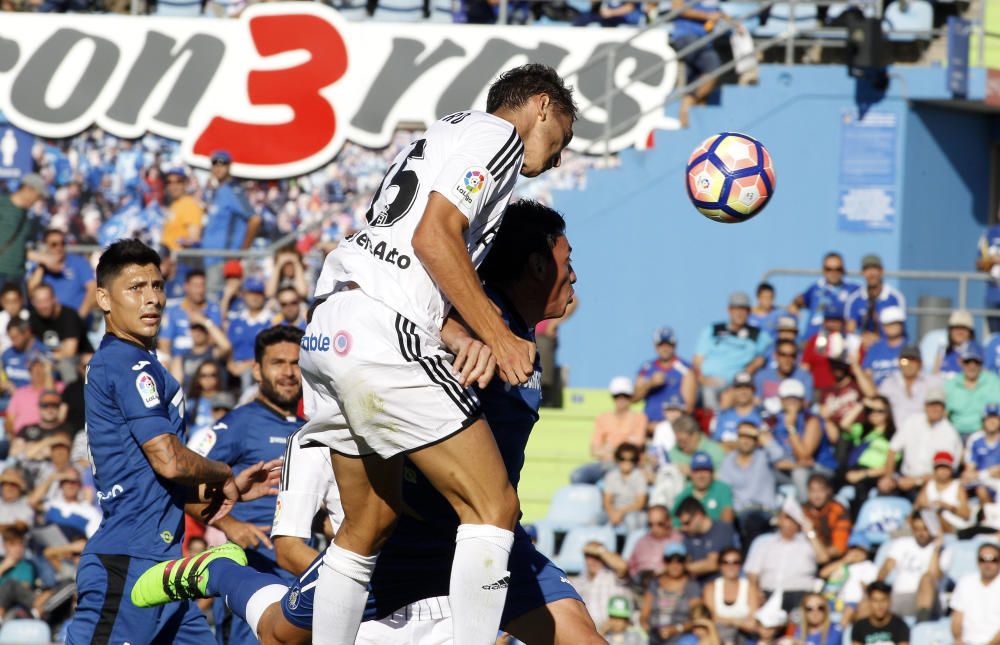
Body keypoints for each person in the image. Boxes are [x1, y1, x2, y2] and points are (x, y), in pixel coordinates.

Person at [135, 200, 604, 644]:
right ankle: (217, 572)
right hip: (403, 544)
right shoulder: (468, 326)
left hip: (487, 537)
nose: (577, 273)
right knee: (280, 634)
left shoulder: (516, 331)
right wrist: (453, 335)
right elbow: (406, 315)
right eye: (568, 257)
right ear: (539, 265)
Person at [294, 64, 576, 645]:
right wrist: (498, 338)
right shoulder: (499, 136)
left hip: (330, 326)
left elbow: (413, 259)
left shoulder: (443, 135)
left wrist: (460, 334)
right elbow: (432, 237)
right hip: (380, 330)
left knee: (369, 519)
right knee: (494, 507)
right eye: (563, 139)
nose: (558, 157)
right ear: (542, 106)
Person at [64, 239, 280, 644]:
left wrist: (225, 495)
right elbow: (169, 461)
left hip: (162, 567)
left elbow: (163, 482)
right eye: (136, 288)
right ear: (104, 299)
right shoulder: (128, 362)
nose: (152, 299)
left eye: (157, 286)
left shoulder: (138, 361)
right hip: (127, 564)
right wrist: (225, 471)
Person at [186, 325, 305, 645]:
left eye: (295, 362)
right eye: (278, 363)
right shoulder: (238, 424)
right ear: (257, 370)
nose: (289, 372)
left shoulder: (312, 428)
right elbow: (185, 482)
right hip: (251, 573)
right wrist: (229, 523)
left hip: (302, 571)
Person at [693, 291, 771, 411]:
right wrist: (701, 378)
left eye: (743, 309)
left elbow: (771, 350)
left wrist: (752, 367)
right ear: (729, 310)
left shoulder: (757, 335)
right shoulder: (713, 330)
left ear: (749, 311)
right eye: (735, 309)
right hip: (705, 380)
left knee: (711, 392)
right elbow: (697, 360)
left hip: (733, 383)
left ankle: (715, 422)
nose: (739, 313)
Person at [744, 503, 829, 611]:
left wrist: (810, 531)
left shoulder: (808, 542)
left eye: (794, 518)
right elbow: (752, 572)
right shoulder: (763, 541)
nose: (789, 523)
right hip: (768, 594)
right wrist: (755, 592)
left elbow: (823, 558)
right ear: (779, 519)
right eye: (786, 517)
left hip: (800, 595)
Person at [669, 0, 739, 128]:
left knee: (698, 80)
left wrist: (734, 23)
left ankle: (689, 117)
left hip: (705, 40)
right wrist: (707, 16)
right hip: (687, 37)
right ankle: (687, 103)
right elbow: (676, 7)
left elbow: (717, 12)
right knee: (713, 67)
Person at [768, 378, 837, 500]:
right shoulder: (774, 420)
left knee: (799, 474)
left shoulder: (811, 420)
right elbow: (772, 456)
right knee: (763, 470)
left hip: (819, 468)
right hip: (790, 467)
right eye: (788, 400)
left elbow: (804, 456)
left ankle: (805, 513)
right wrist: (788, 465)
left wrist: (791, 427)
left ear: (802, 401)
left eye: (795, 400)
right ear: (781, 400)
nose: (791, 404)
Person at [717, 422, 785, 545]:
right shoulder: (728, 461)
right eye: (742, 436)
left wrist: (758, 433)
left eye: (751, 437)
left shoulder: (763, 457)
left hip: (766, 511)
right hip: (741, 513)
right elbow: (723, 490)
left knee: (754, 523)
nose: (746, 441)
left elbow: (779, 454)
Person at [201, 150, 259, 295]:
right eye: (215, 163)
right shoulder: (216, 191)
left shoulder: (232, 190)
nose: (219, 167)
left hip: (223, 260)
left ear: (229, 166)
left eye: (223, 163)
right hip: (210, 259)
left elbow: (255, 219)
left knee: (216, 303)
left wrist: (242, 252)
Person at [572, 376, 647, 484]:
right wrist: (624, 443)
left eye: (625, 395)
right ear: (613, 397)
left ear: (631, 397)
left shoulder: (640, 417)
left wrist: (610, 448)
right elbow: (594, 450)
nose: (621, 399)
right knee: (578, 475)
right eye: (617, 396)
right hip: (607, 464)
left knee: (615, 475)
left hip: (630, 464)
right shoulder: (603, 418)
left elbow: (636, 446)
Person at [889, 387, 962, 496]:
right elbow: (892, 450)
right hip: (903, 477)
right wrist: (888, 477)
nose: (934, 408)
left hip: (931, 483)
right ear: (925, 406)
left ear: (944, 408)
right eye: (931, 404)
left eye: (938, 405)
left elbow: (946, 471)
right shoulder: (912, 421)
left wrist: (916, 481)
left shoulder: (950, 433)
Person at [876, 511, 940, 617]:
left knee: (926, 579)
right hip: (898, 596)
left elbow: (935, 575)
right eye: (917, 529)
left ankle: (921, 624)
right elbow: (886, 567)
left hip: (927, 600)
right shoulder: (901, 543)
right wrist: (877, 588)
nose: (921, 533)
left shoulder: (940, 549)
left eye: (925, 529)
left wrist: (936, 549)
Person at [639, 542, 702, 645]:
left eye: (679, 561)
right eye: (670, 561)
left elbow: (697, 618)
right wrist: (646, 626)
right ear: (664, 562)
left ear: (685, 562)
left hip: (681, 637)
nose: (675, 565)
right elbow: (644, 614)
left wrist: (676, 629)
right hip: (654, 635)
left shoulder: (692, 586)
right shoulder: (654, 584)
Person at [789, 252, 860, 341]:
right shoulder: (816, 288)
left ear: (843, 270)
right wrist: (794, 309)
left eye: (837, 269)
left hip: (840, 341)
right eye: (829, 269)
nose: (833, 273)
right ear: (823, 270)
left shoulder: (853, 289)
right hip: (811, 341)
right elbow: (799, 300)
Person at [27, 228, 96, 318]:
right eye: (54, 244)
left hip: (75, 318)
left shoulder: (79, 262)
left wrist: (79, 317)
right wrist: (43, 264)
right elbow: (32, 291)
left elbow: (92, 289)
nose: (59, 247)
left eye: (62, 243)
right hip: (48, 320)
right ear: (46, 246)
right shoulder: (39, 268)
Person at [157, 270, 224, 363]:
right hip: (178, 362)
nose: (200, 290)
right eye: (196, 286)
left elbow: (217, 341)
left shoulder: (213, 309)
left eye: (202, 285)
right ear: (186, 286)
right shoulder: (173, 311)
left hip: (205, 360)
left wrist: (203, 320)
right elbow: (164, 343)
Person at [635, 326, 696, 426]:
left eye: (669, 345)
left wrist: (664, 426)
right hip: (648, 426)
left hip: (674, 427)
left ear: (675, 345)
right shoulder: (646, 368)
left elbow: (688, 407)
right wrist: (650, 383)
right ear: (655, 346)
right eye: (661, 345)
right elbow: (634, 398)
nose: (665, 348)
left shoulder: (685, 370)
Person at [701, 546, 758, 645]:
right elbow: (711, 617)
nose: (730, 566)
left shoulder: (749, 588)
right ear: (720, 565)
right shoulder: (711, 587)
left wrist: (727, 621)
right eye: (725, 562)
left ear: (741, 565)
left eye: (735, 562)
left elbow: (752, 623)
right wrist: (737, 622)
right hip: (717, 634)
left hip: (743, 635)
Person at [675, 496, 738, 584]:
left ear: (698, 515)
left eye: (687, 523)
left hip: (721, 586)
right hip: (696, 588)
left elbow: (713, 564)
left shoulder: (722, 529)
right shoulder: (687, 536)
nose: (684, 528)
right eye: (682, 524)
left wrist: (678, 568)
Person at [845, 254, 905, 345]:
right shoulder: (854, 299)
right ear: (862, 273)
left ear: (881, 271)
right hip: (861, 347)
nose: (871, 273)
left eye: (875, 269)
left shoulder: (894, 298)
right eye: (867, 269)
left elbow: (899, 329)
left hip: (887, 345)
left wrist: (878, 339)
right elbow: (850, 330)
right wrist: (862, 338)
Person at [226, 278, 274, 390]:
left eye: (258, 293)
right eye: (251, 293)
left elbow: (270, 352)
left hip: (256, 371)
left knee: (248, 375)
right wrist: (230, 363)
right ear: (244, 295)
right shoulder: (236, 321)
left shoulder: (271, 321)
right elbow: (228, 347)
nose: (255, 297)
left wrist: (246, 365)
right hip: (233, 371)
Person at [877, 345, 941, 428]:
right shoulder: (889, 383)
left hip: (925, 432)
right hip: (895, 434)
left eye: (913, 360)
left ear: (920, 363)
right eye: (904, 361)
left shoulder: (932, 383)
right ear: (899, 362)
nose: (909, 364)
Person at [945, 344, 1000, 437]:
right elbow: (943, 413)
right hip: (955, 433)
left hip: (984, 433)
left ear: (982, 362)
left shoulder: (993, 382)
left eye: (976, 362)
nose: (972, 366)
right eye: (967, 361)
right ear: (960, 362)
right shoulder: (951, 384)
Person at [950, 542, 1000, 645]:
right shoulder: (965, 582)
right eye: (983, 559)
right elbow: (957, 619)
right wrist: (958, 639)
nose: (988, 564)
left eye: (993, 560)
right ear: (977, 561)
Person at [0, 174, 45, 286]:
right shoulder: (2, 204)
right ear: (27, 189)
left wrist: (43, 257)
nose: (38, 200)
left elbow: (20, 248)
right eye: (38, 195)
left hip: (17, 275)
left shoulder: (28, 218)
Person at [626, 505, 683, 583]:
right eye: (650, 525)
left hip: (667, 583)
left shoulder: (679, 540)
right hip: (640, 584)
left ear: (669, 521)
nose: (654, 529)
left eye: (660, 524)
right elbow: (631, 568)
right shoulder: (641, 542)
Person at [754, 339, 814, 413]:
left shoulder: (804, 377)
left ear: (797, 357)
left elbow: (806, 404)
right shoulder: (762, 376)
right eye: (783, 355)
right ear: (775, 356)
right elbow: (756, 401)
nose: (787, 359)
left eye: (792, 355)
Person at [673, 451, 734, 523]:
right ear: (691, 473)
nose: (701, 475)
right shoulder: (684, 495)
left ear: (712, 473)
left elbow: (727, 516)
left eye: (705, 470)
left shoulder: (722, 489)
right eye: (697, 471)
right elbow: (673, 520)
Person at [802, 473, 852, 560]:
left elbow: (839, 549)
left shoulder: (838, 511)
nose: (816, 496)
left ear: (828, 491)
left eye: (821, 491)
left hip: (832, 560)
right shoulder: (803, 510)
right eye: (812, 491)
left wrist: (818, 553)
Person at [603, 442, 649, 532]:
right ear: (617, 459)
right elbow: (607, 501)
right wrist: (612, 513)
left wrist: (621, 512)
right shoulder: (611, 476)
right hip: (614, 511)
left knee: (631, 520)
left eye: (631, 459)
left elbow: (639, 504)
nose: (626, 462)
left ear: (635, 461)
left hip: (632, 512)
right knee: (594, 520)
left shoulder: (640, 477)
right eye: (622, 458)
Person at [711, 372, 764, 448]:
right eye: (739, 387)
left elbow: (764, 443)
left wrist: (730, 444)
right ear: (733, 391)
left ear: (753, 390)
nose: (743, 391)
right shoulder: (723, 416)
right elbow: (716, 444)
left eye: (747, 387)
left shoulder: (761, 415)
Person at [861, 306, 907, 386]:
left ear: (901, 325)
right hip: (878, 394)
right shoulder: (874, 349)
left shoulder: (909, 348)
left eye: (895, 323)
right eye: (887, 324)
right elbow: (867, 373)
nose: (891, 327)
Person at [160, 167, 204, 251]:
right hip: (166, 256)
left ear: (185, 183)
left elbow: (194, 239)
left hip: (178, 260)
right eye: (169, 182)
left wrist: (173, 258)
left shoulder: (190, 205)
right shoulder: (174, 204)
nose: (173, 186)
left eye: (178, 181)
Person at [1, 319, 44, 391]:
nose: (13, 342)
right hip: (7, 399)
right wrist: (6, 385)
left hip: (34, 398)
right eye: (11, 338)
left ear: (27, 333)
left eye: (16, 337)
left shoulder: (42, 353)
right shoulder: (6, 354)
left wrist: (20, 395)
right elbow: (2, 378)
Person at [936, 310, 982, 376]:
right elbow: (934, 375)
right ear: (950, 331)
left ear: (970, 332)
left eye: (963, 328)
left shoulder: (979, 351)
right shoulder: (943, 350)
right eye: (956, 328)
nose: (959, 332)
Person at [977, 222, 1000, 334]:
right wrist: (989, 261)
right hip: (993, 293)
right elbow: (979, 263)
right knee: (995, 336)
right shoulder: (989, 234)